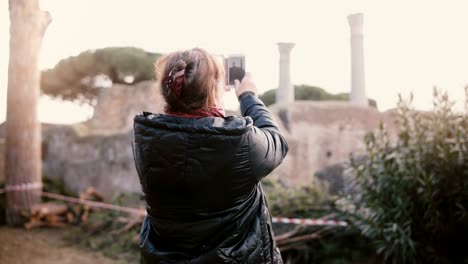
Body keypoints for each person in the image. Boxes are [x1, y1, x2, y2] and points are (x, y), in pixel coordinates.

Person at [132, 48, 289, 264]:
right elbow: (277, 142)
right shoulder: (238, 139)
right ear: (214, 89)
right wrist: (248, 96)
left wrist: (213, 92)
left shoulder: (145, 136)